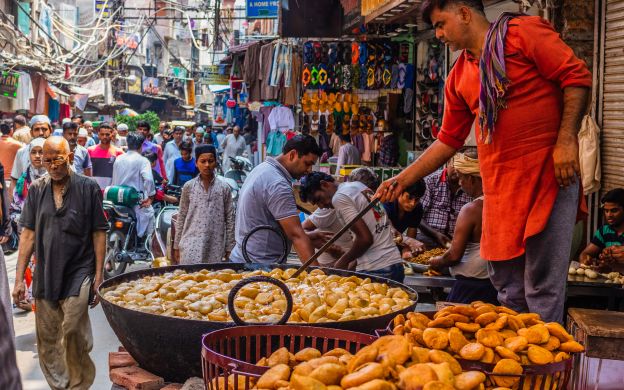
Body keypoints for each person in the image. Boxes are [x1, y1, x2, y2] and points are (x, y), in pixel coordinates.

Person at [377, 0, 591, 322]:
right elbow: (448, 140)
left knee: (542, 285)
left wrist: (565, 140)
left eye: (440, 24)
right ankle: (516, 358)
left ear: (464, 13)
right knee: (508, 284)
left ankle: (545, 368)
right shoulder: (458, 75)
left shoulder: (522, 34)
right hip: (502, 190)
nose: (437, 34)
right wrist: (401, 179)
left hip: (550, 176)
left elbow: (576, 78)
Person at [13, 136, 107, 390]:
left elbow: (99, 232)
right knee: (49, 339)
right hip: (46, 271)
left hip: (80, 269)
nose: (53, 166)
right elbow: (28, 235)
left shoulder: (88, 187)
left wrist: (99, 277)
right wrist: (19, 278)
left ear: (70, 156)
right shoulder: (36, 189)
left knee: (74, 328)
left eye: (58, 159)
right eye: (47, 160)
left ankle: (78, 385)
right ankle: (59, 385)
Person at [230, 135, 321, 264]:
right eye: (307, 163)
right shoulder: (277, 183)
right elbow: (296, 235)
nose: (309, 170)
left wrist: (309, 236)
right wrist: (318, 276)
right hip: (259, 266)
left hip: (245, 258)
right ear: (292, 155)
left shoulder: (263, 169)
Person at [300, 171, 404, 282]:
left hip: (377, 269)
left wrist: (342, 262)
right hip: (394, 263)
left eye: (319, 199)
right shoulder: (358, 186)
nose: (321, 206)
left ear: (324, 184)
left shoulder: (339, 198)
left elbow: (365, 239)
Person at [428, 152, 499, 304]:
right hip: (493, 284)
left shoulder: (471, 209)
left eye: (461, 178)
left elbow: (453, 256)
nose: (460, 183)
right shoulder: (499, 203)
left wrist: (436, 261)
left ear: (472, 179)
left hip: (470, 287)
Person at [174, 145, 235, 265]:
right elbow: (181, 216)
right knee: (189, 281)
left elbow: (230, 219)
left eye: (210, 161)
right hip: (190, 244)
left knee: (212, 281)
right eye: (203, 161)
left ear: (216, 163)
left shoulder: (224, 188)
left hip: (215, 246)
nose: (207, 165)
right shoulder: (188, 187)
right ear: (196, 163)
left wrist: (230, 247)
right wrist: (176, 245)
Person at [417, 158, 473, 249]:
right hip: (428, 237)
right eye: (454, 165)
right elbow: (417, 217)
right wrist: (436, 235)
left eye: (460, 166)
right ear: (447, 163)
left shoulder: (469, 186)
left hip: (455, 242)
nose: (456, 169)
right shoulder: (431, 180)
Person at [111, 133, 155, 244]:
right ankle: (148, 247)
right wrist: (150, 196)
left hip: (117, 199)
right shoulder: (143, 160)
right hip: (135, 200)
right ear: (141, 146)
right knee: (150, 215)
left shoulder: (119, 159)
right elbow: (149, 179)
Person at [579, 188, 624, 272]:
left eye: (614, 210)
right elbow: (585, 254)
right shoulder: (604, 231)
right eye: (606, 211)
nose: (609, 215)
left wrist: (611, 268)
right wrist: (586, 261)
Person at [10, 115, 51, 197]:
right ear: (31, 132)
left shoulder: (57, 151)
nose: (41, 133)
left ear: (50, 130)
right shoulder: (22, 152)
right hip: (27, 203)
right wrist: (15, 204)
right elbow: (14, 180)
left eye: (44, 129)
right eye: (36, 129)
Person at [87, 122, 124, 189]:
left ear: (112, 135)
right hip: (93, 191)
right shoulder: (89, 151)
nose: (104, 137)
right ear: (98, 135)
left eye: (107, 134)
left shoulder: (119, 152)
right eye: (102, 134)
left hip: (111, 192)